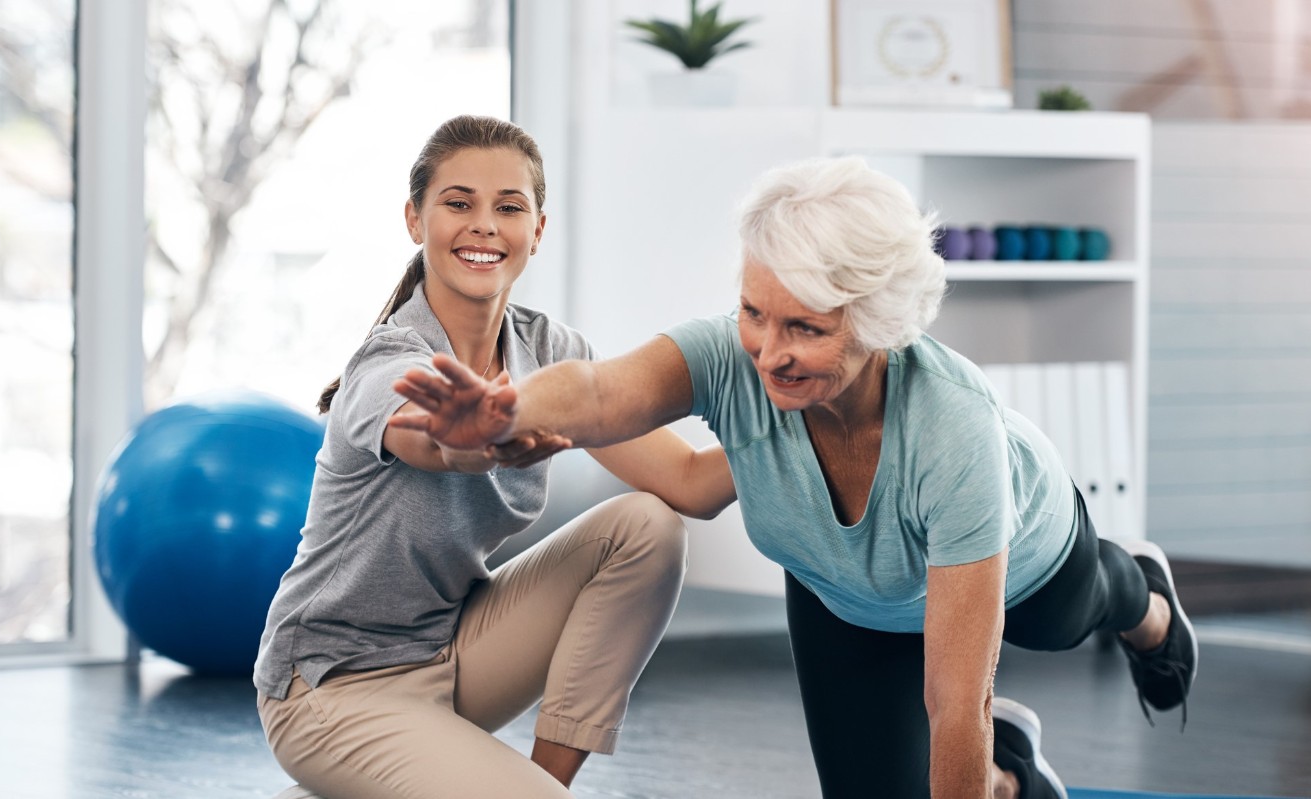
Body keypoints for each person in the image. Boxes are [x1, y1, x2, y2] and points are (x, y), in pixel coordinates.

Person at [392, 156, 1199, 799]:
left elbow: (956, 703)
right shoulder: (731, 358)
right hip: (843, 592)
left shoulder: (953, 434)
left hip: (1030, 559)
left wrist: (972, 738)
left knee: (1072, 616)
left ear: (880, 322)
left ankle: (1145, 597)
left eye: (804, 328)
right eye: (754, 312)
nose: (767, 351)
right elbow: (601, 391)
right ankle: (1012, 777)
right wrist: (504, 410)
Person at [253, 115, 737, 799]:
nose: (484, 225)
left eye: (508, 207)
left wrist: (804, 415)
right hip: (330, 686)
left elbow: (690, 483)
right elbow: (434, 445)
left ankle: (539, 783)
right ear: (415, 220)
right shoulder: (389, 361)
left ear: (536, 229)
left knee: (645, 526)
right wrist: (471, 440)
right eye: (458, 203)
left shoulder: (551, 351)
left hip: (453, 656)